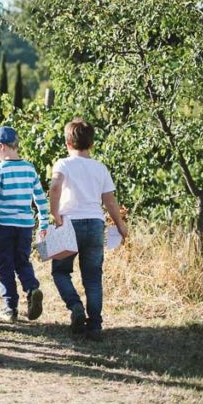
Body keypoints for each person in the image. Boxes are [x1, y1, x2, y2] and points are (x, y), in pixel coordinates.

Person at [49, 117, 129, 342]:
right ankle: (95, 325)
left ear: (68, 143)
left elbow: (55, 187)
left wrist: (55, 214)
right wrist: (121, 226)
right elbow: (110, 202)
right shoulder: (100, 168)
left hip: (69, 224)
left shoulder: (63, 164)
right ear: (91, 144)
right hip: (95, 224)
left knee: (61, 271)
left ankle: (75, 306)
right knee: (93, 277)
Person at [0, 125, 50, 323]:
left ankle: (10, 307)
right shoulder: (29, 168)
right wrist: (43, 223)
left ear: (3, 146)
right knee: (22, 261)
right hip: (25, 226)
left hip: (3, 226)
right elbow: (40, 199)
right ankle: (32, 288)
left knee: (5, 265)